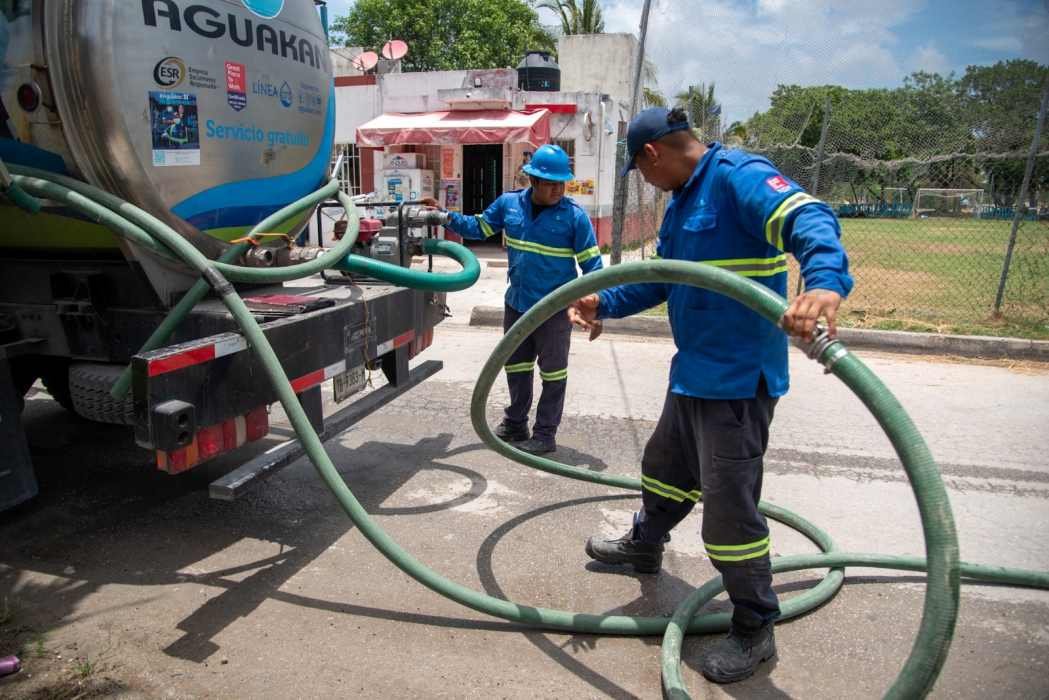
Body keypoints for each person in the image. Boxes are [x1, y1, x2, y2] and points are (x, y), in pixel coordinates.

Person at [568, 107, 852, 684]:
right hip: (692, 374)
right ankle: (645, 545)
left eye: (641, 172)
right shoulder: (682, 203)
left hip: (738, 385)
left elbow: (810, 217)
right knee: (664, 470)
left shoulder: (737, 178)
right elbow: (664, 279)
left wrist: (823, 282)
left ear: (654, 154)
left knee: (728, 515)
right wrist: (606, 304)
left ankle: (753, 624)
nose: (644, 183)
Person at [426, 144, 604, 455]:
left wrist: (596, 307)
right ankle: (516, 423)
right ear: (533, 181)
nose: (556, 190)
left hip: (553, 311)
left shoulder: (574, 218)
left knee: (554, 374)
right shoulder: (509, 205)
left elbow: (594, 268)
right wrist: (444, 217)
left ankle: (545, 434)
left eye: (561, 183)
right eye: (550, 183)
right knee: (516, 367)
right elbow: (479, 227)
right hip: (517, 304)